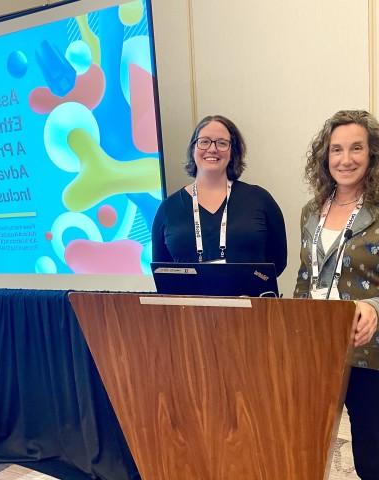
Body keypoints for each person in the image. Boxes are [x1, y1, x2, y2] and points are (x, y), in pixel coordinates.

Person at [294, 110, 379, 480]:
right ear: (324, 157)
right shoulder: (312, 211)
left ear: (372, 154)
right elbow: (304, 277)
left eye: (356, 148)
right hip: (314, 349)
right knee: (305, 451)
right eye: (336, 150)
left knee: (372, 458)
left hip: (368, 354)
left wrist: (374, 306)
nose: (346, 159)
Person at [151, 114, 287, 275]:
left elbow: (278, 261)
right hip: (189, 300)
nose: (212, 149)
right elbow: (161, 270)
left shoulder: (260, 200)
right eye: (204, 142)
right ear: (193, 149)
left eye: (222, 143)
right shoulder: (169, 208)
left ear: (233, 152)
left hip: (250, 298)